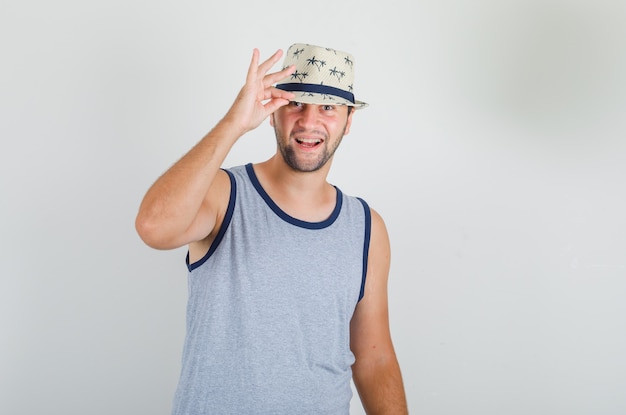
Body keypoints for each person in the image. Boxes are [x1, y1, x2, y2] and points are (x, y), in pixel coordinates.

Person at [135, 43, 408, 414]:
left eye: (328, 107)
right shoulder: (223, 194)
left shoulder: (366, 227)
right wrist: (234, 123)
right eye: (296, 103)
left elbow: (374, 359)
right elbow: (153, 227)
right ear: (273, 112)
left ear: (348, 120)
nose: (309, 122)